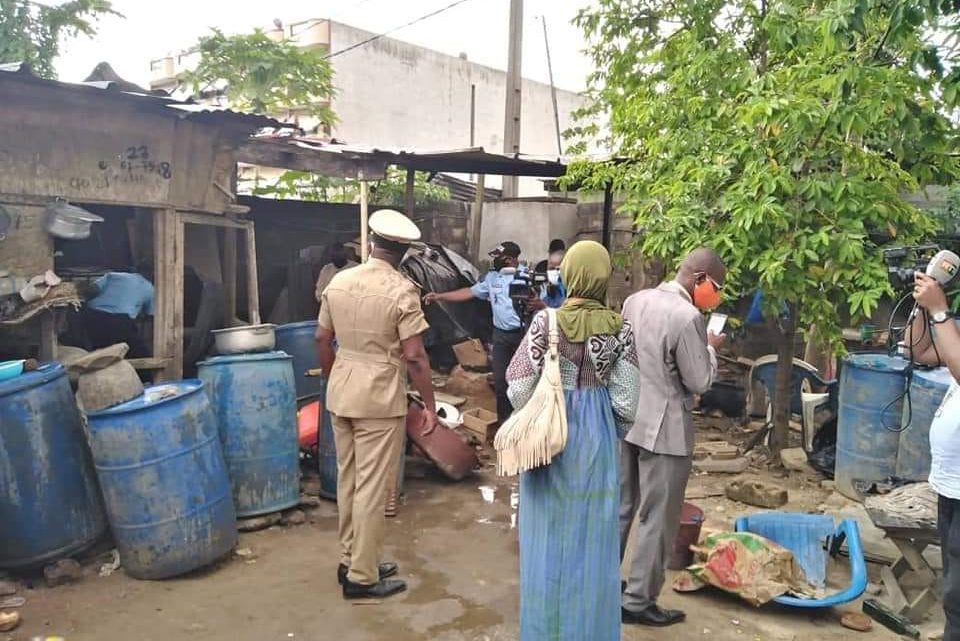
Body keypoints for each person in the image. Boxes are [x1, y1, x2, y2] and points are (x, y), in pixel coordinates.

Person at [505, 240, 640, 641]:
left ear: (569, 276)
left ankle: (545, 631)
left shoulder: (545, 323)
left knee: (547, 536)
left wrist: (536, 416)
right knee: (593, 539)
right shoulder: (621, 330)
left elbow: (516, 387)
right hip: (595, 440)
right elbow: (627, 401)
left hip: (548, 439)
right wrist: (602, 430)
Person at [315, 209, 438, 600]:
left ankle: (351, 558)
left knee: (348, 480)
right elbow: (415, 356)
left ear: (370, 243)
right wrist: (431, 404)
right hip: (379, 397)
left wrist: (337, 374)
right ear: (402, 252)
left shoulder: (338, 281)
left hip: (342, 390)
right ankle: (362, 577)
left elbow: (321, 339)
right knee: (371, 487)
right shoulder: (402, 290)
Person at [619, 247, 726, 627]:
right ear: (698, 279)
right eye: (715, 287)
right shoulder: (687, 317)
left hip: (628, 417)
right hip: (665, 429)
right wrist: (710, 351)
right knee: (658, 518)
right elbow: (698, 380)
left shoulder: (635, 300)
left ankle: (602, 582)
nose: (716, 295)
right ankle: (637, 601)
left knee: (621, 507)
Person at [906, 272, 960, 641]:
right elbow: (918, 352)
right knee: (953, 573)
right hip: (950, 482)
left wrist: (940, 310)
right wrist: (921, 308)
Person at [424, 240, 531, 423]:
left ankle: (526, 422)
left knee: (524, 382)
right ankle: (504, 425)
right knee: (500, 382)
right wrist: (439, 296)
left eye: (499, 258)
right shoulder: (493, 278)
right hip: (501, 337)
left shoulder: (526, 277)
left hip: (523, 335)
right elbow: (469, 292)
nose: (495, 262)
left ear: (511, 260)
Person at [82, 263, 155, 357]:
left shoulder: (114, 275)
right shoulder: (149, 288)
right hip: (120, 321)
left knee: (99, 350)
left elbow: (92, 289)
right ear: (152, 274)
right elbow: (150, 314)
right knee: (138, 354)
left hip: (93, 315)